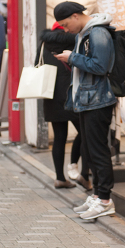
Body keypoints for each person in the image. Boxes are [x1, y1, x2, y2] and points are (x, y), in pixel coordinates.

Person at [54, 1, 117, 221]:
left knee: (98, 151)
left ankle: (105, 200)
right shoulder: (86, 33)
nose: (65, 29)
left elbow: (100, 66)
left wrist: (72, 57)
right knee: (90, 150)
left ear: (75, 16)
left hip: (98, 101)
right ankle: (97, 195)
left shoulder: (98, 33)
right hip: (88, 99)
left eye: (64, 24)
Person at [37, 17, 91, 187]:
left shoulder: (45, 43)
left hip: (52, 95)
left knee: (59, 137)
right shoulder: (77, 40)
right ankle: (81, 172)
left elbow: (37, 64)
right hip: (73, 93)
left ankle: (60, 178)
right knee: (85, 133)